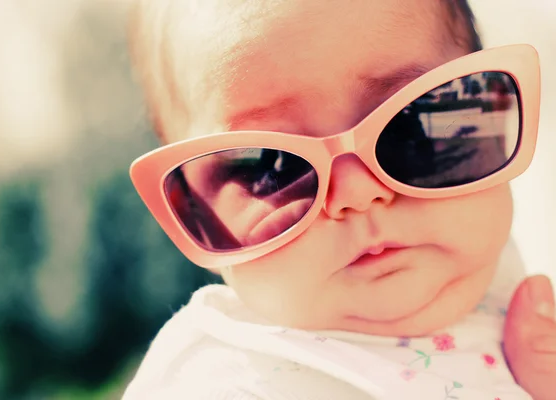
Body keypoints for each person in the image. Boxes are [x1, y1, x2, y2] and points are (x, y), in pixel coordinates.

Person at [123, 0, 556, 399]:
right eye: (270, 167)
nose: (357, 193)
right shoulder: (220, 380)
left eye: (415, 122)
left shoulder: (519, 308)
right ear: (191, 212)